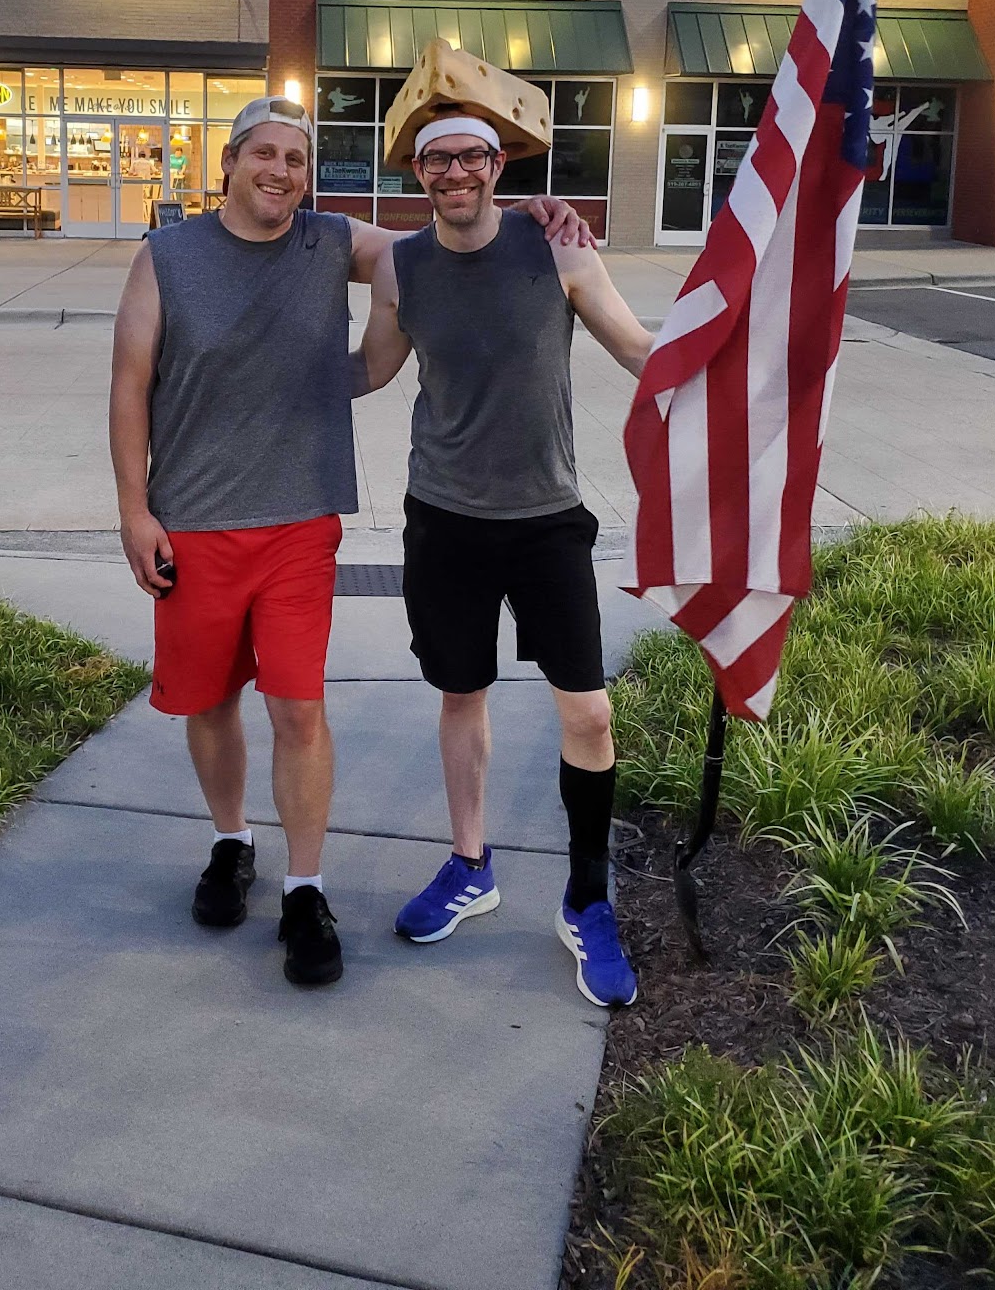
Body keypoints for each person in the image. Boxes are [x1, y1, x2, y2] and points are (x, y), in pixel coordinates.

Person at [109, 94, 591, 989]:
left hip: (300, 518)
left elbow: (442, 237)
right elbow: (130, 387)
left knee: (299, 709)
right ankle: (230, 843)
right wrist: (136, 512)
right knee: (210, 702)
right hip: (194, 520)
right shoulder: (167, 256)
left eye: (296, 159)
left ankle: (305, 889)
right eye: (264, 153)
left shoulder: (331, 241)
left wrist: (528, 212)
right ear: (230, 161)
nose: (280, 171)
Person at [353, 110, 654, 1006]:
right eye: (437, 161)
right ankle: (470, 866)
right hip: (443, 519)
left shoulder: (557, 248)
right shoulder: (401, 267)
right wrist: (255, 376)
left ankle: (587, 901)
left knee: (589, 713)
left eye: (472, 158)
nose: (455, 174)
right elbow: (369, 370)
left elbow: (639, 348)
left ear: (497, 165)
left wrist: (739, 374)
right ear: (417, 173)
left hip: (546, 520)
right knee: (461, 694)